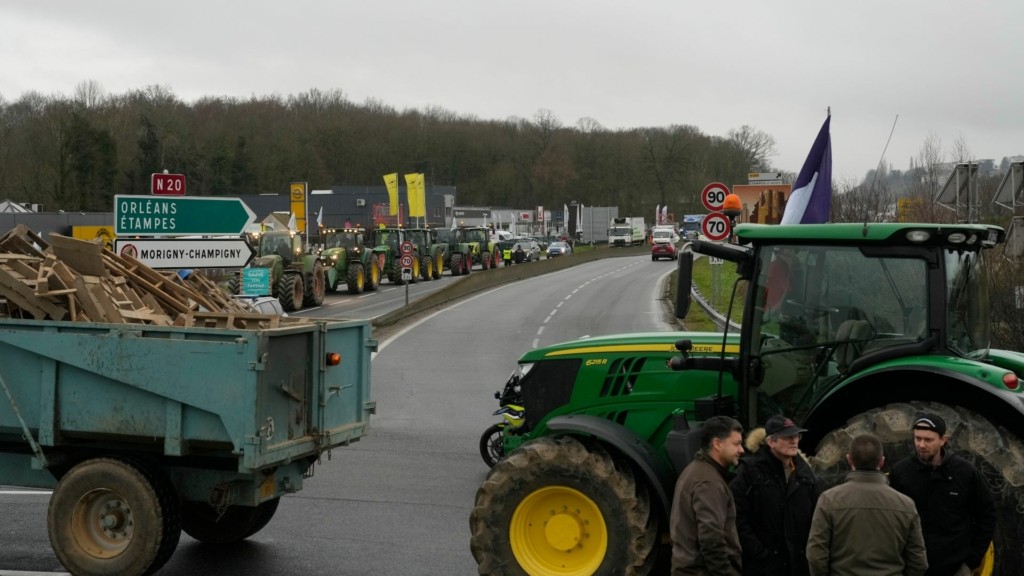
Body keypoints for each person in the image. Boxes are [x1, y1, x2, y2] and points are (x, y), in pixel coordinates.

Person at [889, 413, 996, 576]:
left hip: (956, 567)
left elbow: (987, 515)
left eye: (928, 440)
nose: (921, 445)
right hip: (911, 567)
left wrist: (971, 561)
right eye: (917, 438)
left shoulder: (965, 472)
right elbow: (891, 518)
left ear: (942, 440)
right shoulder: (901, 472)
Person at [806, 433, 927, 576]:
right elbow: (918, 561)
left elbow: (816, 555)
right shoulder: (905, 504)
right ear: (882, 462)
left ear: (849, 459)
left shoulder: (829, 500)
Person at [731, 415, 821, 576]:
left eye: (797, 436)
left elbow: (817, 515)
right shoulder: (749, 471)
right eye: (788, 437)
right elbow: (737, 518)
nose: (794, 441)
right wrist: (760, 554)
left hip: (798, 566)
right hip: (763, 568)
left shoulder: (804, 473)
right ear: (771, 442)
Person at [671, 415, 745, 576]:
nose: (742, 450)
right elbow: (711, 539)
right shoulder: (708, 483)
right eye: (736, 444)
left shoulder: (696, 470)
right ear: (717, 444)